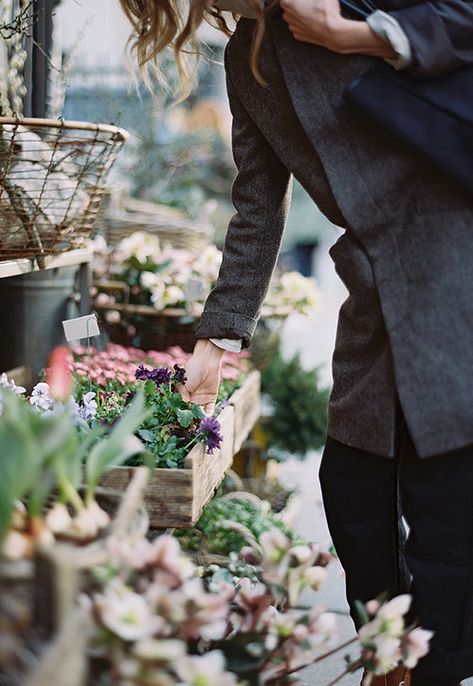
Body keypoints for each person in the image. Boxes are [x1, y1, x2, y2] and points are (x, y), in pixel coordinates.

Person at [118, 0, 473, 684]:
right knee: (352, 488)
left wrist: (358, 35)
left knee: (445, 504)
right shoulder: (246, 62)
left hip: (451, 264)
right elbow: (258, 202)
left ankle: (425, 668)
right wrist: (217, 336)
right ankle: (386, 650)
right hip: (374, 292)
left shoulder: (344, 6)